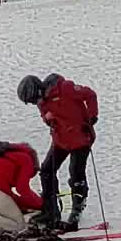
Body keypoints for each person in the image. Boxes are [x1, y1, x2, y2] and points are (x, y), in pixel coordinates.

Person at [17, 73, 98, 230]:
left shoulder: (66, 89)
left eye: (34, 99)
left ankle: (77, 210)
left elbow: (90, 95)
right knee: (47, 170)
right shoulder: (42, 102)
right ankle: (51, 210)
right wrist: (48, 120)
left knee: (76, 172)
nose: (36, 103)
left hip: (81, 138)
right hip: (61, 141)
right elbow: (45, 116)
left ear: (37, 90)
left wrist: (92, 116)